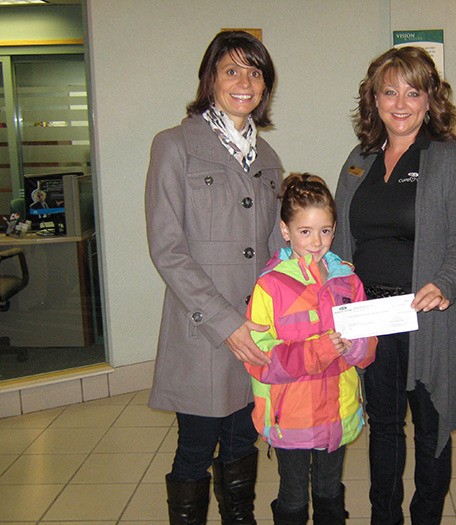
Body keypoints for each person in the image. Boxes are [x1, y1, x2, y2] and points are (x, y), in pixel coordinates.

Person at [333, 46, 456, 524]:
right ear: (373, 99)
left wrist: (446, 281)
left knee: (429, 427)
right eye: (389, 91)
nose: (401, 103)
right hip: (370, 317)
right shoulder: (357, 161)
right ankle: (385, 517)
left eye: (412, 92)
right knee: (384, 427)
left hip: (425, 316)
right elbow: (339, 239)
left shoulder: (451, 162)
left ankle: (426, 517)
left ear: (429, 99)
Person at [145, 30, 283, 524]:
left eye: (255, 72)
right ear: (210, 79)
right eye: (232, 71)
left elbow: (273, 250)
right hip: (203, 329)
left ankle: (239, 517)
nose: (245, 82)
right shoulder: (175, 145)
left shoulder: (268, 159)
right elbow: (168, 249)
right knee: (196, 447)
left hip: (257, 329)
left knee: (244, 438)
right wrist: (226, 322)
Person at [245, 172, 377, 524]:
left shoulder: (347, 279)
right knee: (293, 495)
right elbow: (259, 359)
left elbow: (367, 349)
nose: (317, 242)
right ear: (286, 231)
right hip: (291, 416)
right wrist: (316, 351)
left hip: (338, 409)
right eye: (305, 231)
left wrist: (354, 346)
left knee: (330, 490)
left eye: (326, 230)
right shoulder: (270, 286)